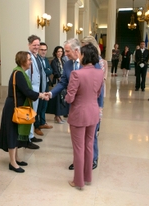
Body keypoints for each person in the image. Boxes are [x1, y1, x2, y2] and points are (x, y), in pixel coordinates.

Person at [0, 51, 47, 173]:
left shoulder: (20, 72)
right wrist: (41, 95)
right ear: (23, 61)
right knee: (13, 133)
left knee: (16, 133)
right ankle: (12, 163)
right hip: (14, 108)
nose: (30, 62)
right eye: (29, 59)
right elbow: (27, 91)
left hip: (17, 106)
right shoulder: (18, 73)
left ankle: (16, 158)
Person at [66, 43, 104, 189]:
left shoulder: (77, 74)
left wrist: (66, 98)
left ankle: (78, 181)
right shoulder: (100, 73)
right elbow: (98, 93)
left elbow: (70, 98)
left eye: (80, 53)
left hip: (79, 114)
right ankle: (87, 177)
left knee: (78, 148)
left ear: (83, 56)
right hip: (93, 112)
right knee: (89, 145)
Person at [25, 35, 46, 149]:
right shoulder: (28, 57)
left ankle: (31, 135)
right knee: (30, 114)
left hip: (38, 89)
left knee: (34, 113)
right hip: (32, 89)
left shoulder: (37, 57)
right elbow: (27, 75)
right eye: (34, 45)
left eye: (38, 45)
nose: (36, 47)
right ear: (29, 45)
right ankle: (28, 138)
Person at [34, 42, 53, 136]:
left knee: (44, 105)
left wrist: (46, 71)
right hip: (38, 86)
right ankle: (36, 126)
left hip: (45, 85)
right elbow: (41, 72)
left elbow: (51, 70)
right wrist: (46, 71)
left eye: (45, 50)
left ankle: (42, 122)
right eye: (41, 49)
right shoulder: (36, 59)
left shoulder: (45, 59)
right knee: (37, 107)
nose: (43, 52)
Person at [46, 46, 68, 124]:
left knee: (62, 100)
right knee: (58, 100)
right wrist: (60, 79)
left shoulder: (63, 61)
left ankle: (59, 116)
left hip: (63, 83)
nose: (60, 53)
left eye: (61, 51)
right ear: (55, 52)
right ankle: (57, 116)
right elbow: (55, 72)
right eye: (58, 51)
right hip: (57, 83)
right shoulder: (54, 61)